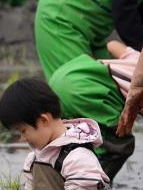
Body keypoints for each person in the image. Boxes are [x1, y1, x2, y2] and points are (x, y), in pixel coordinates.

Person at [50, 40, 138, 179]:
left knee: (78, 138)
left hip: (68, 73)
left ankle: (62, 180)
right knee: (119, 144)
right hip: (83, 90)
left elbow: (112, 44)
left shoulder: (137, 57)